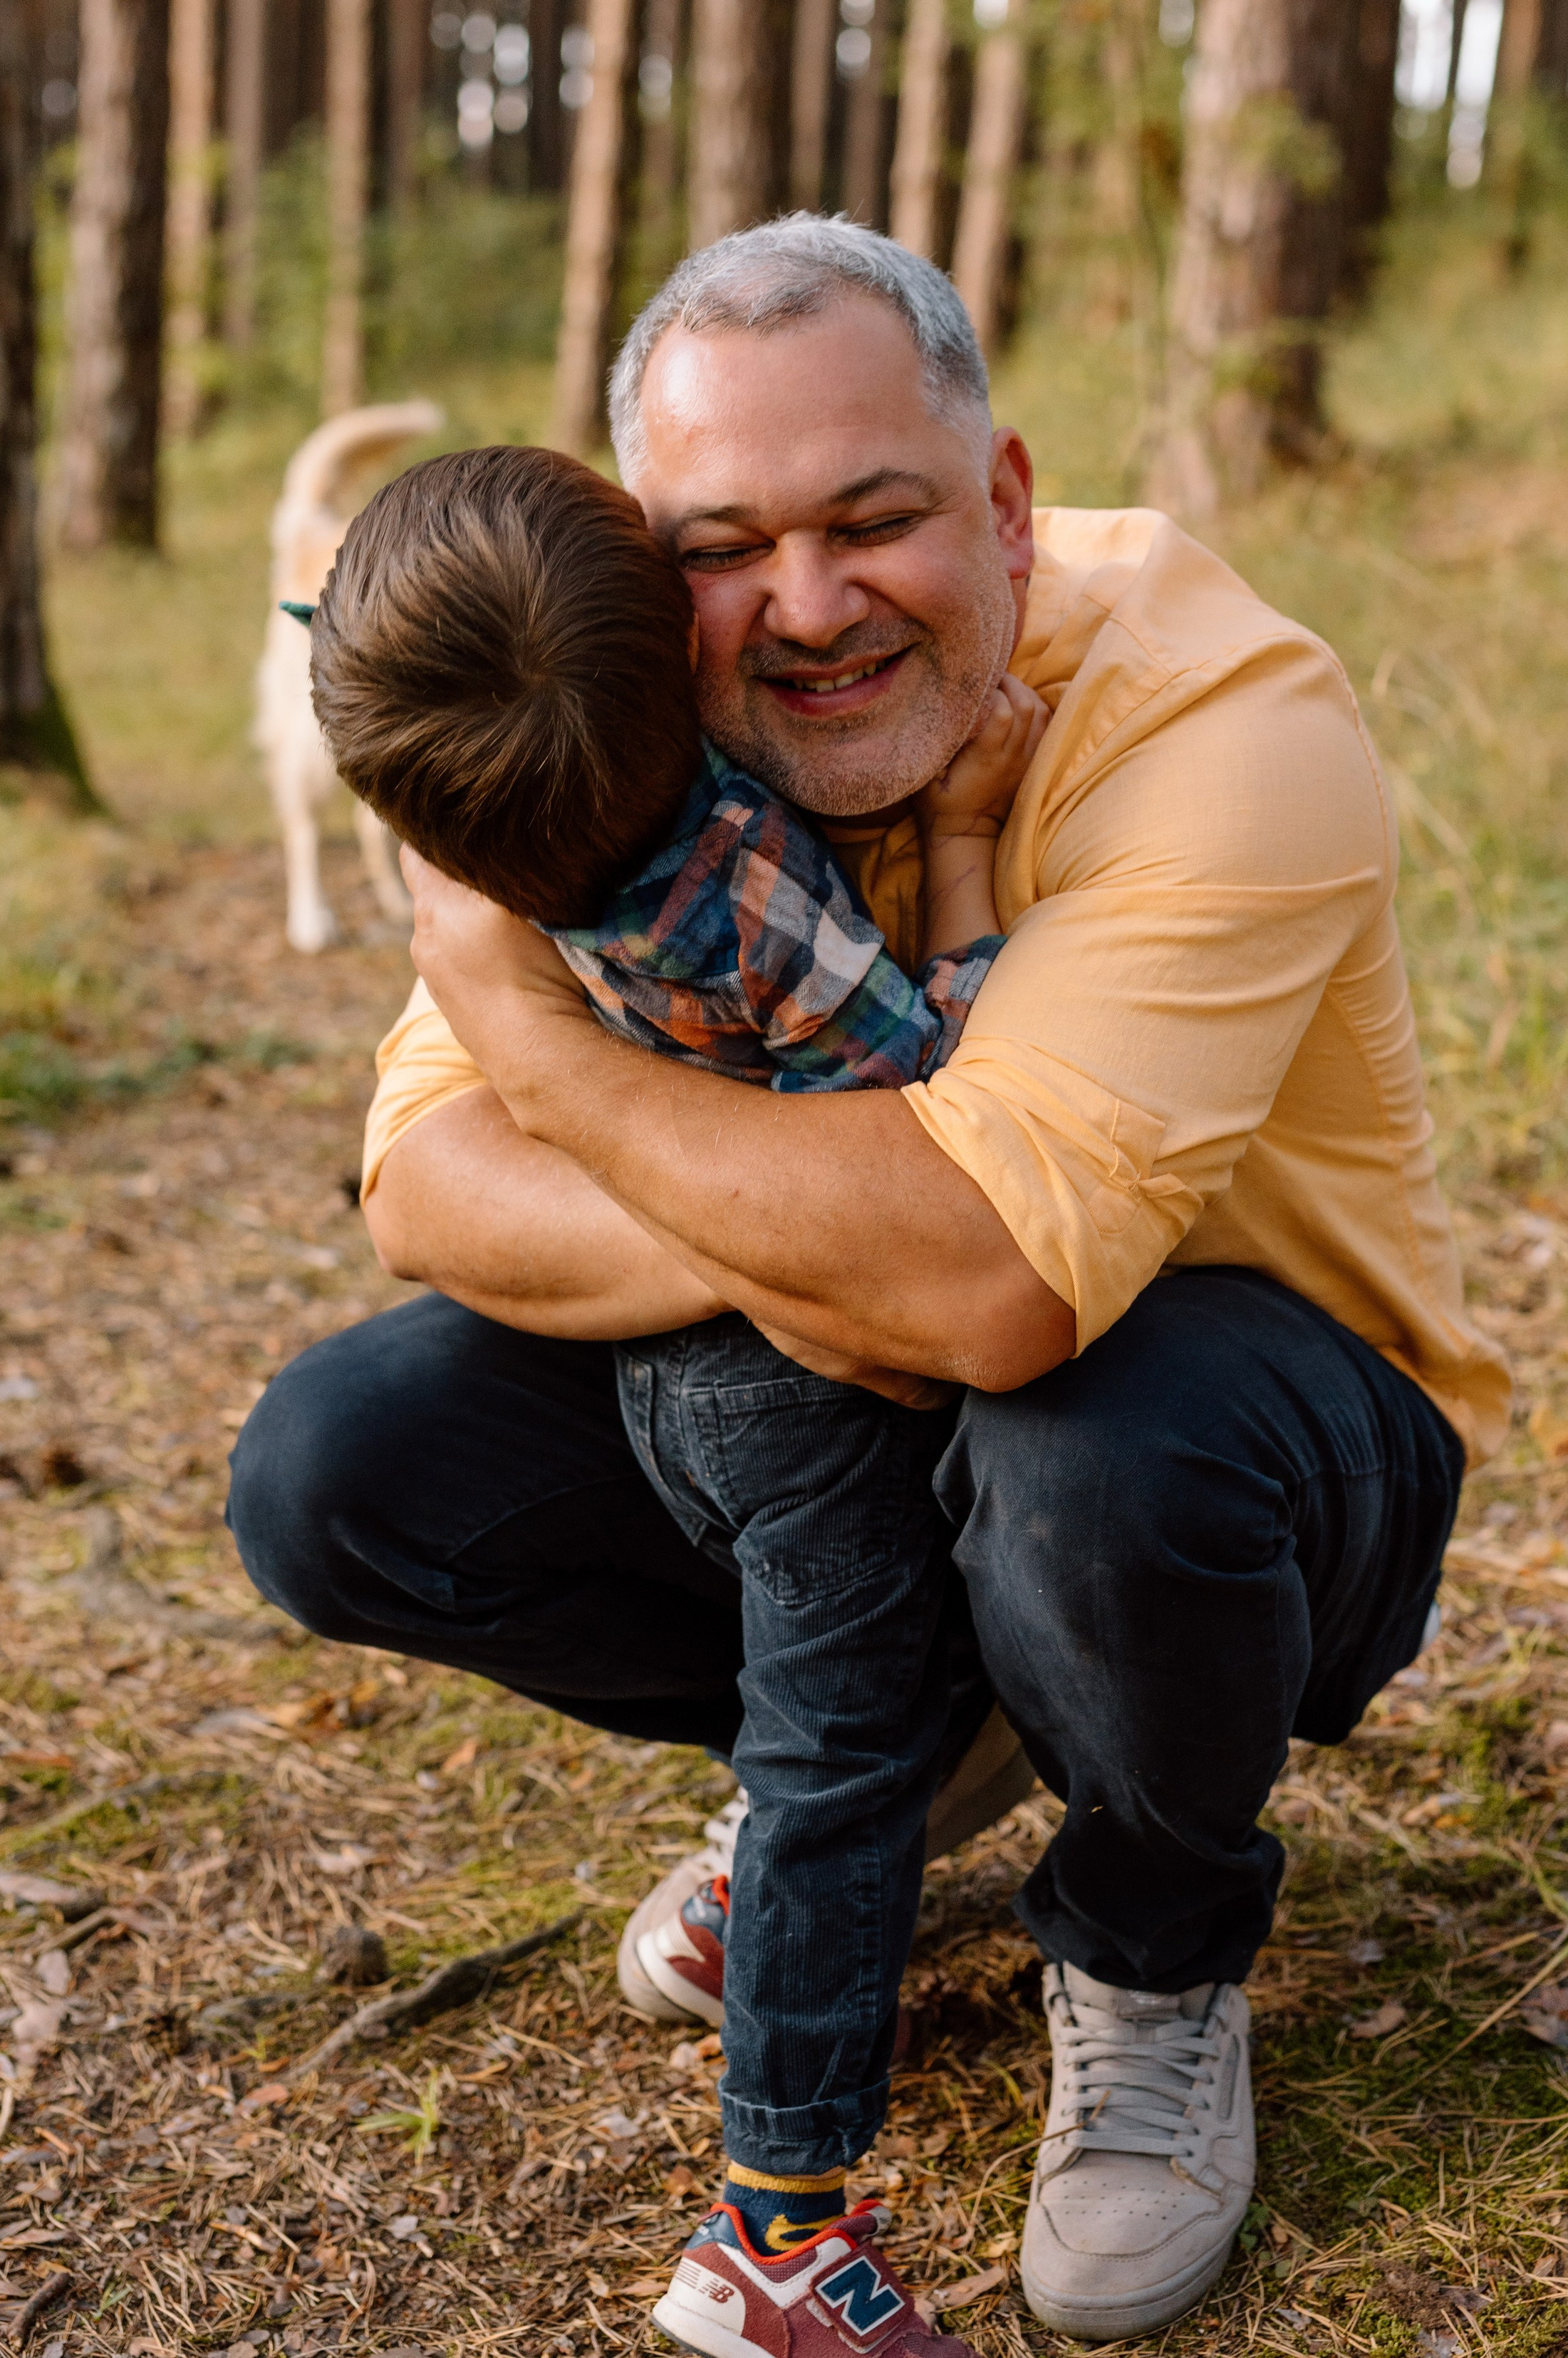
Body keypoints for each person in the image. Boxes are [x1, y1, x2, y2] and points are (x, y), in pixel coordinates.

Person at [229, 214, 1510, 2343]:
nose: (807, 609)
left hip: (1260, 1462)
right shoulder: (627, 709)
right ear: (647, 560)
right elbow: (427, 1193)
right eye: (728, 543)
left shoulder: (1220, 717)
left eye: (877, 519)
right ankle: (901, 1747)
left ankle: (1156, 1939)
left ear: (999, 500)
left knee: (1087, 1427)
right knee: (340, 1463)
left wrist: (550, 1047)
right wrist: (833, 1230)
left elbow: (997, 1295)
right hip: (887, 1427)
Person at [298, 437, 1047, 2343]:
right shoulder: (735, 879)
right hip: (793, 1388)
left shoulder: (478, 849)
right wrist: (960, 836)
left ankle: (760, 1896)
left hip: (633, 1350)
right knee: (843, 1753)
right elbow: (939, 1095)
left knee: (820, 1742)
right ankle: (775, 2242)